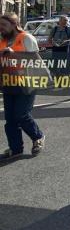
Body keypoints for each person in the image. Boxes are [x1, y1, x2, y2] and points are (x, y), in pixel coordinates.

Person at [0, 13, 45, 160]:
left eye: (4, 25)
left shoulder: (26, 38)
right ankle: (16, 148)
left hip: (26, 83)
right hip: (8, 84)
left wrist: (14, 54)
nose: (1, 28)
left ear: (14, 24)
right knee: (10, 119)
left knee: (21, 114)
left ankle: (37, 137)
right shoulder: (2, 41)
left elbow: (36, 61)